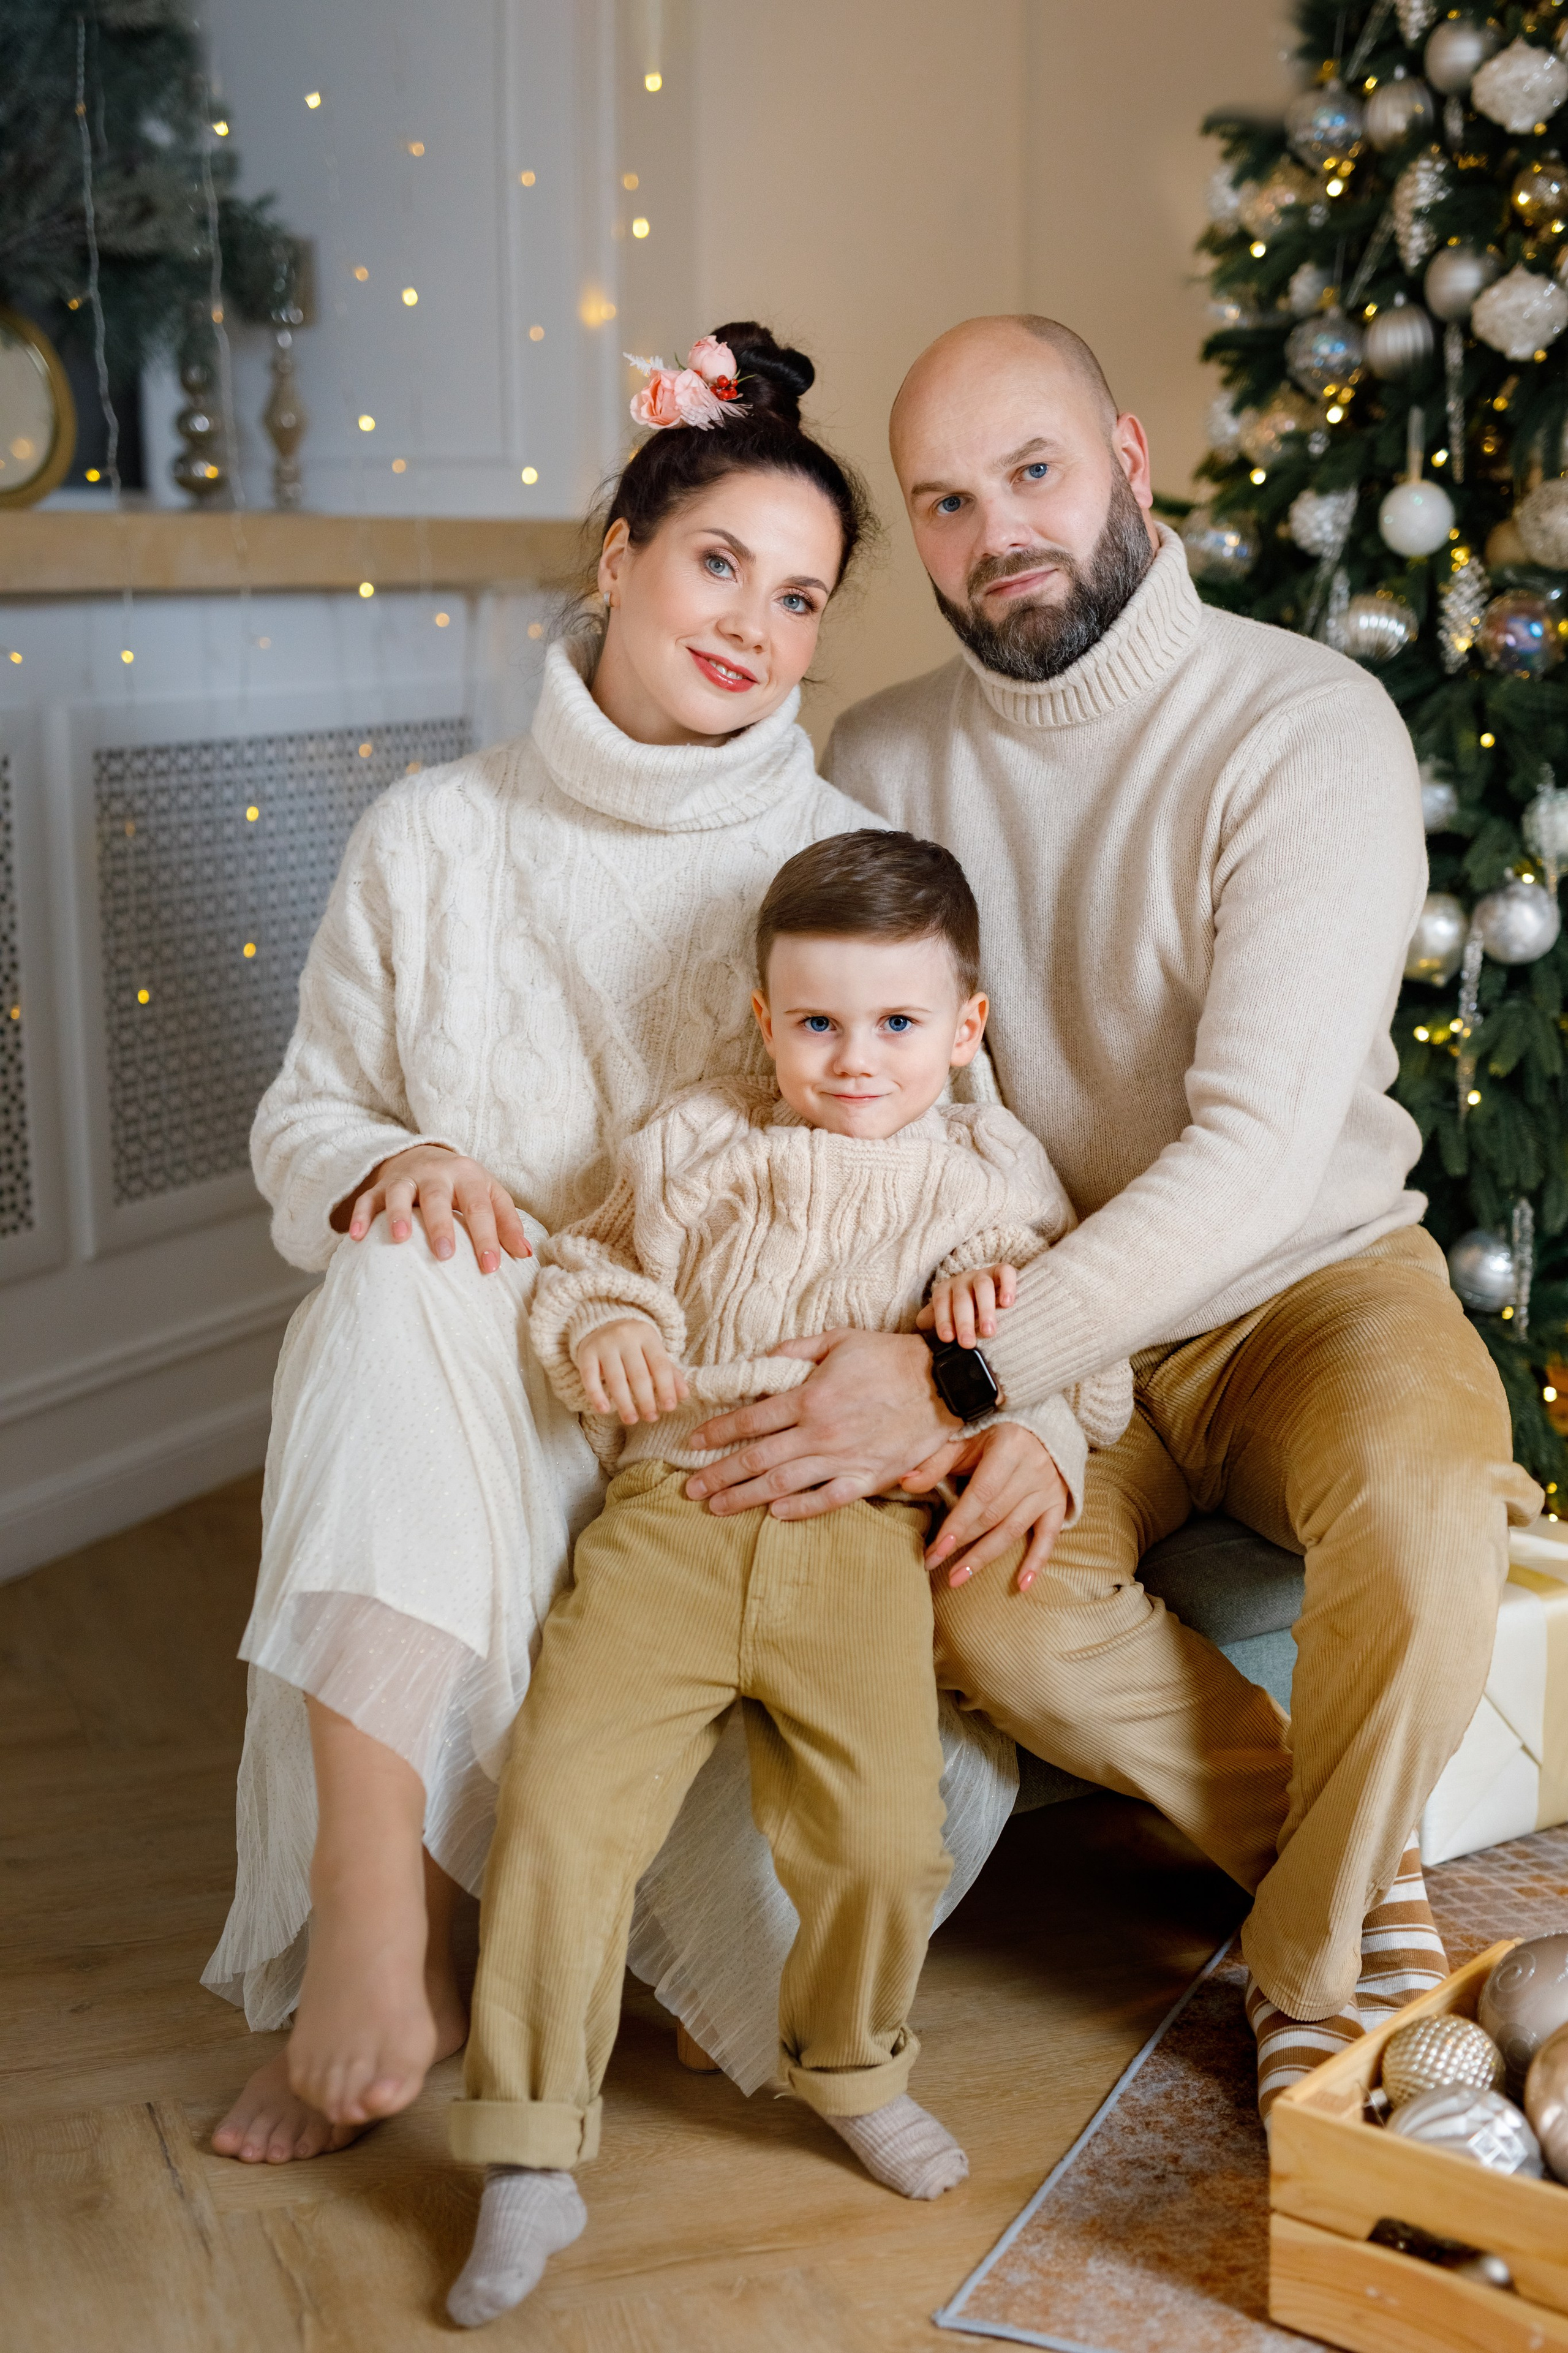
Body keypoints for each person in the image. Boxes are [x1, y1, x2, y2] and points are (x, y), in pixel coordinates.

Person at [204, 322, 1057, 2166]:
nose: (754, 620)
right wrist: (399, 1153)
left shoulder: (842, 857)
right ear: (622, 557)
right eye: (718, 562)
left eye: (806, 595)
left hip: (721, 1417)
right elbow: (305, 1116)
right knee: (389, 1263)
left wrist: (1016, 1394)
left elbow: (978, 1171)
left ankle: (642, 1937)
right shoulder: (431, 838)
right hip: (489, 1374)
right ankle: (379, 1918)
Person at [675, 314, 1542, 2121]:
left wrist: (965, 1376)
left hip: (1309, 1277)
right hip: (1045, 1297)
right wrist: (1040, 1392)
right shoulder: (884, 755)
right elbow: (901, 1088)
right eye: (947, 500)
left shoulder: (1308, 724)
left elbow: (1245, 1156)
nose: (1000, 530)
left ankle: (1302, 1976)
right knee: (988, 1615)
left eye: (1038, 472)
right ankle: (1356, 1877)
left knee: (1429, 1513)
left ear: (1133, 460)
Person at [442, 829, 1130, 2327]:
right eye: (814, 1023)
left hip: (858, 1537)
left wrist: (1004, 1384)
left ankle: (848, 2065)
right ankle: (526, 2152)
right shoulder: (694, 1140)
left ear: (964, 1031)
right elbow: (583, 1262)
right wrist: (605, 1327)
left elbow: (1082, 1367)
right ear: (764, 1022)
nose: (853, 1058)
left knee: (883, 1834)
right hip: (677, 1505)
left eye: (895, 1026)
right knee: (562, 1794)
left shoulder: (991, 1182)